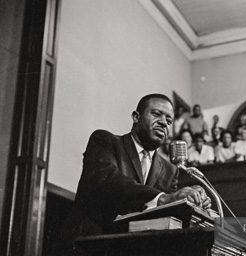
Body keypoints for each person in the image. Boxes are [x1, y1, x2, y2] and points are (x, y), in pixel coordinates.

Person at [54, 94, 211, 255]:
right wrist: (163, 198)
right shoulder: (105, 141)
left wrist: (191, 203)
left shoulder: (170, 170)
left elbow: (168, 215)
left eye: (169, 120)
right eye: (156, 114)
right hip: (87, 247)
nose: (164, 122)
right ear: (136, 117)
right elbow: (107, 180)